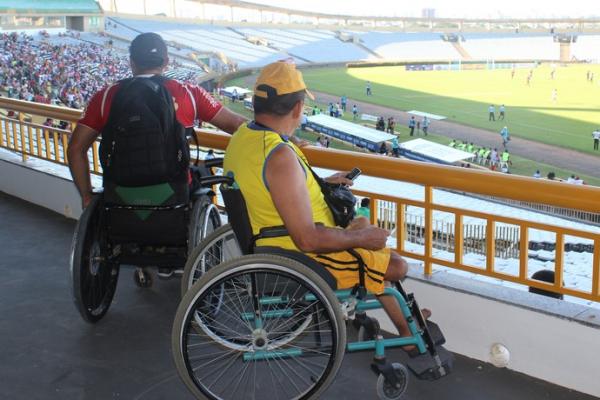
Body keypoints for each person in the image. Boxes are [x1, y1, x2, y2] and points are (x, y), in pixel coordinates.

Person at [223, 61, 429, 348]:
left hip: (269, 241)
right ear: (297, 108)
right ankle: (407, 331)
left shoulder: (245, 137)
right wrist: (360, 238)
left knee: (364, 232)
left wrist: (323, 184)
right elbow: (307, 239)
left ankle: (407, 331)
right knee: (395, 265)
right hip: (296, 255)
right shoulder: (280, 154)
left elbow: (277, 188)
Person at [67, 32, 246, 210]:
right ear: (166, 62)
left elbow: (76, 149)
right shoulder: (190, 93)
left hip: (119, 194)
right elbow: (236, 125)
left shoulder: (105, 96)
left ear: (132, 62)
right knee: (201, 173)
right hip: (175, 194)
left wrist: (86, 195)